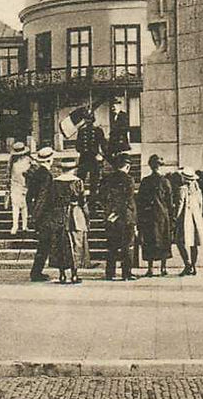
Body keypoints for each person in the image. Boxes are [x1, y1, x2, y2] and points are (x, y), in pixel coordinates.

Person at [98, 153, 138, 281]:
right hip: (125, 217)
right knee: (127, 246)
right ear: (127, 166)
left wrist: (109, 213)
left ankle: (110, 273)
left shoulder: (106, 179)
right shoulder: (129, 179)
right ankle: (126, 273)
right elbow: (128, 200)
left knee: (111, 246)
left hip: (111, 217)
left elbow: (101, 198)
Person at [48, 159, 87, 284]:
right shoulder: (78, 182)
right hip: (75, 214)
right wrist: (87, 216)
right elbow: (83, 201)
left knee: (60, 243)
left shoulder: (55, 183)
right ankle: (74, 274)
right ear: (73, 169)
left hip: (59, 215)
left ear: (61, 169)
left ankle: (62, 275)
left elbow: (51, 200)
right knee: (76, 243)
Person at [136, 154, 174, 277]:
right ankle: (162, 268)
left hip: (150, 215)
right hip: (161, 215)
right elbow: (170, 201)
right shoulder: (165, 181)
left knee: (150, 240)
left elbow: (140, 200)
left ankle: (151, 268)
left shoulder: (146, 181)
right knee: (162, 240)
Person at [27, 147, 56, 282]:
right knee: (44, 244)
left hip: (37, 212)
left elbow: (29, 195)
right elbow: (44, 197)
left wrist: (31, 212)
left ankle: (37, 271)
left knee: (43, 244)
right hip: (45, 214)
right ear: (50, 160)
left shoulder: (36, 173)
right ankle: (36, 272)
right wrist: (38, 215)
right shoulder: (47, 175)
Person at [173, 166, 203, 276]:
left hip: (184, 219)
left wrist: (176, 218)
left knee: (179, 241)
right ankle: (194, 266)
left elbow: (180, 205)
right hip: (195, 218)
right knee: (194, 243)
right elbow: (201, 205)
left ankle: (187, 264)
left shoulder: (182, 189)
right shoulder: (197, 189)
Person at [75, 110, 106, 196]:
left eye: (88, 119)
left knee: (94, 181)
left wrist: (103, 155)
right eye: (86, 119)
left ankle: (92, 200)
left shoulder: (97, 130)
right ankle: (80, 199)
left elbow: (103, 144)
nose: (87, 121)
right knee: (80, 180)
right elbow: (77, 146)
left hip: (92, 158)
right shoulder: (82, 131)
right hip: (85, 159)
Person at [7, 141, 33, 235]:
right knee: (16, 206)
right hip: (15, 185)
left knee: (24, 206)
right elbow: (8, 173)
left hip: (25, 185)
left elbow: (32, 172)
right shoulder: (12, 161)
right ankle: (15, 225)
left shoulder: (28, 160)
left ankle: (24, 225)